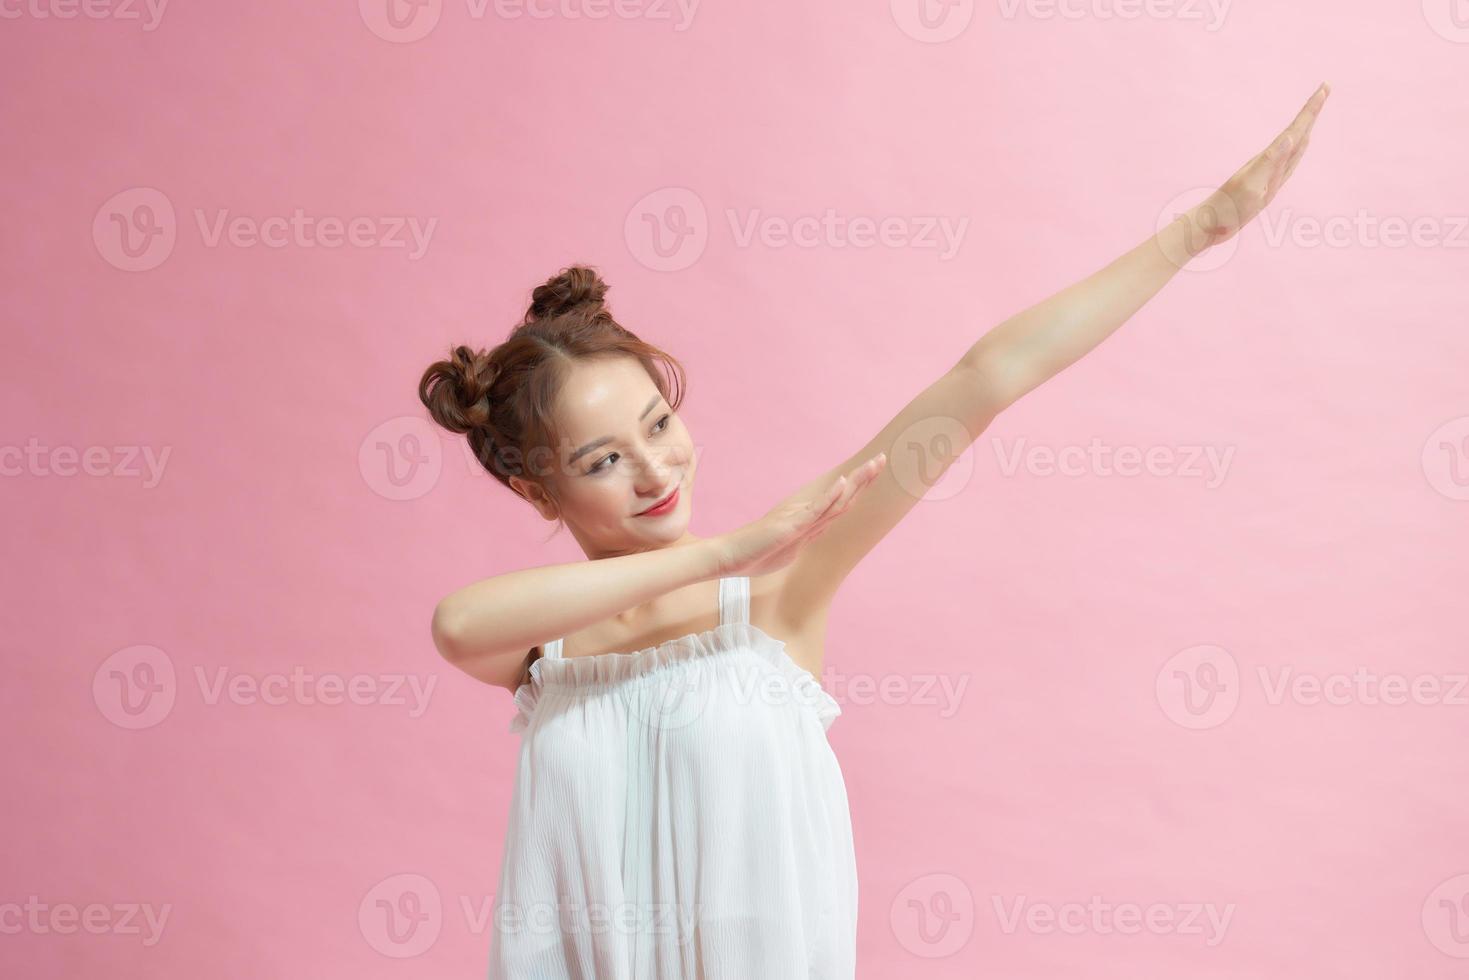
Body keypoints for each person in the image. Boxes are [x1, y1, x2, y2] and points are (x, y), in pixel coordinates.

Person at [417, 82, 1329, 979]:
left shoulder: (775, 591)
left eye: (659, 424)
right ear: (538, 492)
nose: (657, 470)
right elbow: (456, 624)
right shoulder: (547, 652)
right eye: (603, 460)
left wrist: (1196, 231)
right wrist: (723, 550)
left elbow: (987, 374)